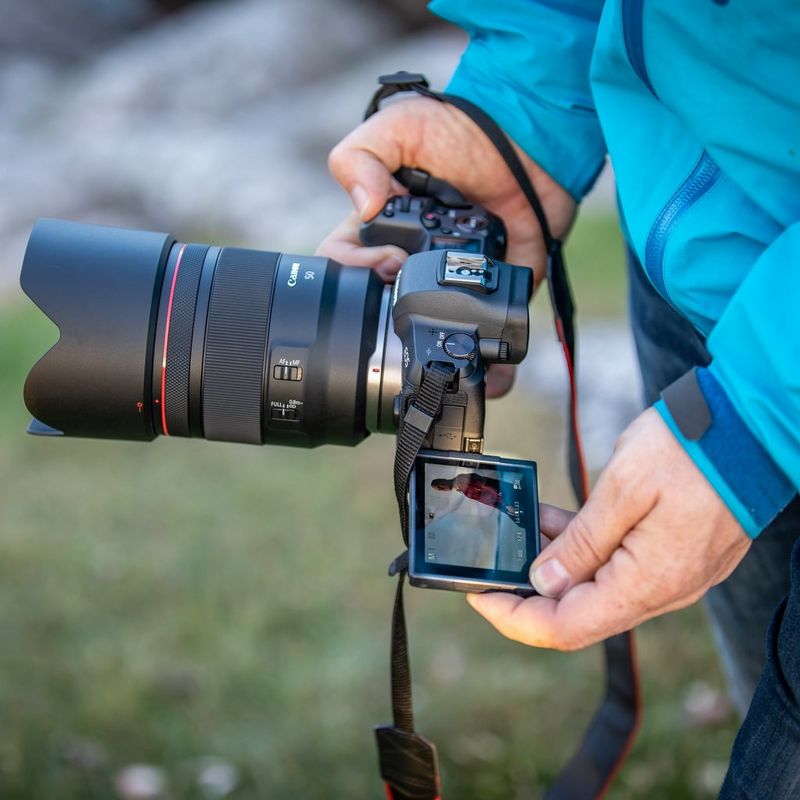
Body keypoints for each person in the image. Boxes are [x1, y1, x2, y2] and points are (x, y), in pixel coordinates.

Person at [316, 2, 800, 796]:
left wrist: (761, 414)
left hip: (758, 371)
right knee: (758, 673)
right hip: (692, 270)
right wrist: (522, 109)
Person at [431, 473, 519, 522]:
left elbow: (487, 488)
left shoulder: (461, 483)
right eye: (439, 489)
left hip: (505, 498)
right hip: (501, 500)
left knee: (521, 520)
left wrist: (506, 504)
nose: (442, 489)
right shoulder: (459, 484)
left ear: (442, 484)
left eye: (439, 487)